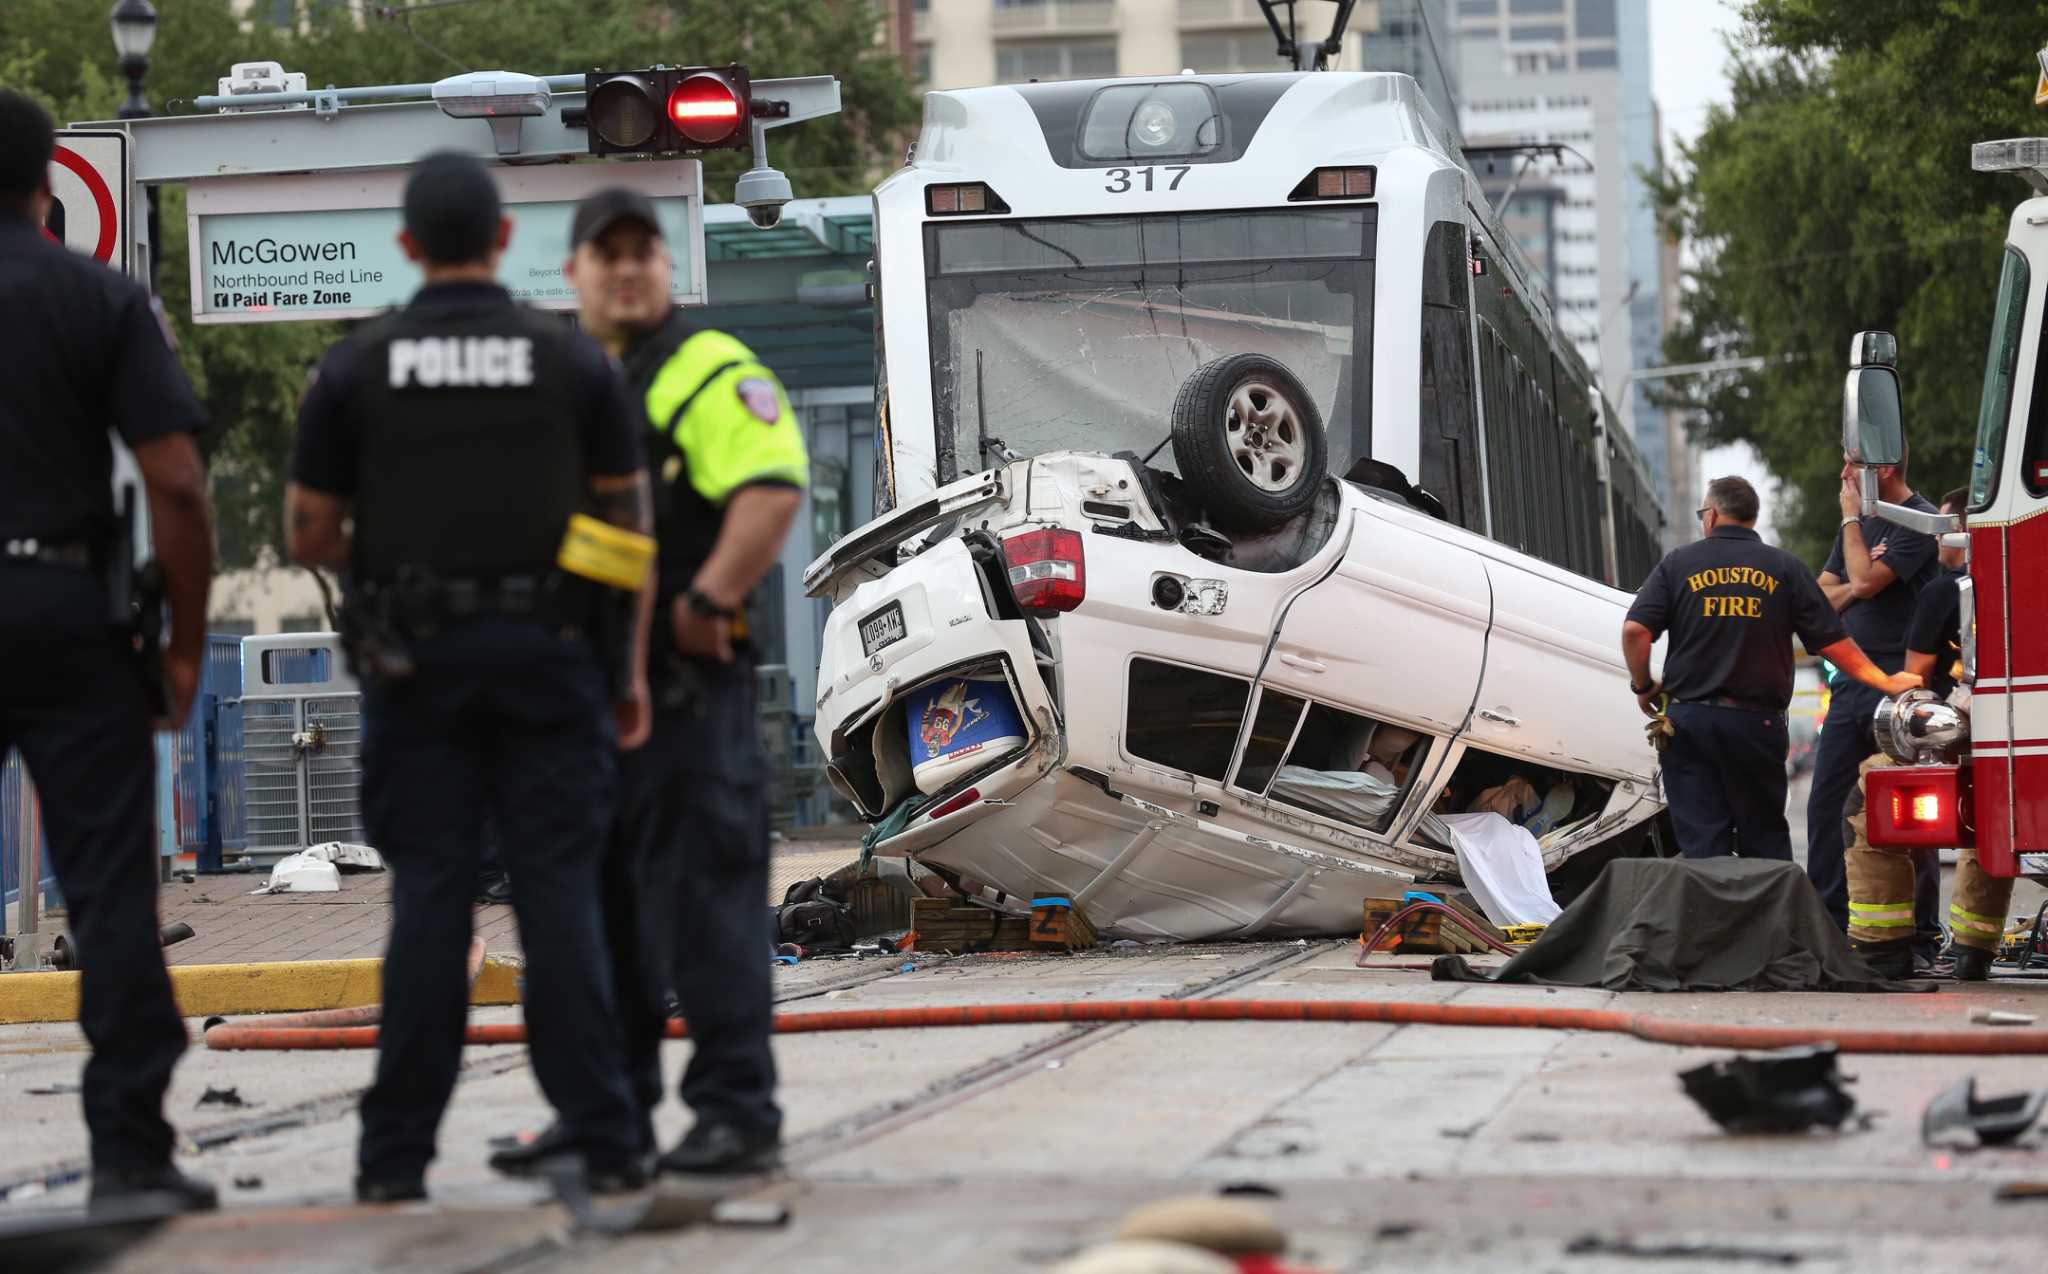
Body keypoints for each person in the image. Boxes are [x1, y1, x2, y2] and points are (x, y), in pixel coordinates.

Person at [284, 152, 657, 1202]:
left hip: (418, 674)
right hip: (551, 666)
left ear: (407, 246)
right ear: (501, 241)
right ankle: (606, 1134)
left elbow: (309, 529)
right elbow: (626, 526)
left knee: (432, 907)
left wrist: (395, 564)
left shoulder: (356, 368)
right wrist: (618, 667)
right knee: (559, 902)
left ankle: (393, 1157)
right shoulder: (570, 361)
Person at [490, 186, 806, 1180]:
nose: (626, 269)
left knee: (706, 908)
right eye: (605, 253)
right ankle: (604, 1119)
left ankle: (734, 1114)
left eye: (643, 253)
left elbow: (771, 483)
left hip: (682, 695)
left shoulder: (703, 370)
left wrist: (708, 599)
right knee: (595, 921)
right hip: (583, 700)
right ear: (573, 270)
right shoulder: (569, 378)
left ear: (665, 268)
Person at [0, 89, 217, 1214]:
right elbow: (177, 483)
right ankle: (130, 1152)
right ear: (48, 183)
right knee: (112, 888)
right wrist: (180, 649)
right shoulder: (100, 299)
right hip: (66, 603)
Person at [1621, 476, 1919, 861]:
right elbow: (1832, 643)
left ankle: (1712, 919)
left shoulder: (1679, 564)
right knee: (1763, 841)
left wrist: (1643, 685)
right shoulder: (1784, 568)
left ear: (1711, 516)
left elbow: (1635, 631)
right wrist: (1884, 680)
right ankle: (1769, 918)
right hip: (1755, 726)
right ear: (1751, 517)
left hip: (1690, 723)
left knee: (1701, 844)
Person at [1843, 488, 2007, 979]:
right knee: (1997, 821)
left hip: (1974, 730)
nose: (1938, 541)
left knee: (1868, 805)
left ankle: (1882, 950)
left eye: (1943, 528)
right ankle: (1975, 949)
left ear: (1964, 533)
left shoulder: (1947, 591)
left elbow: (1916, 681)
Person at [1807, 447, 1944, 960]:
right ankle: (1828, 925)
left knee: (1911, 811)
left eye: (1851, 466)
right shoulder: (1859, 530)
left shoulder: (1919, 521)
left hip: (1903, 689)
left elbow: (1861, 582)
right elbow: (1819, 599)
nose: (1842, 476)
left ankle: (1921, 931)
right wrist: (1858, 572)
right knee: (1827, 806)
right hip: (1848, 689)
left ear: (1883, 469)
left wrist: (1854, 549)